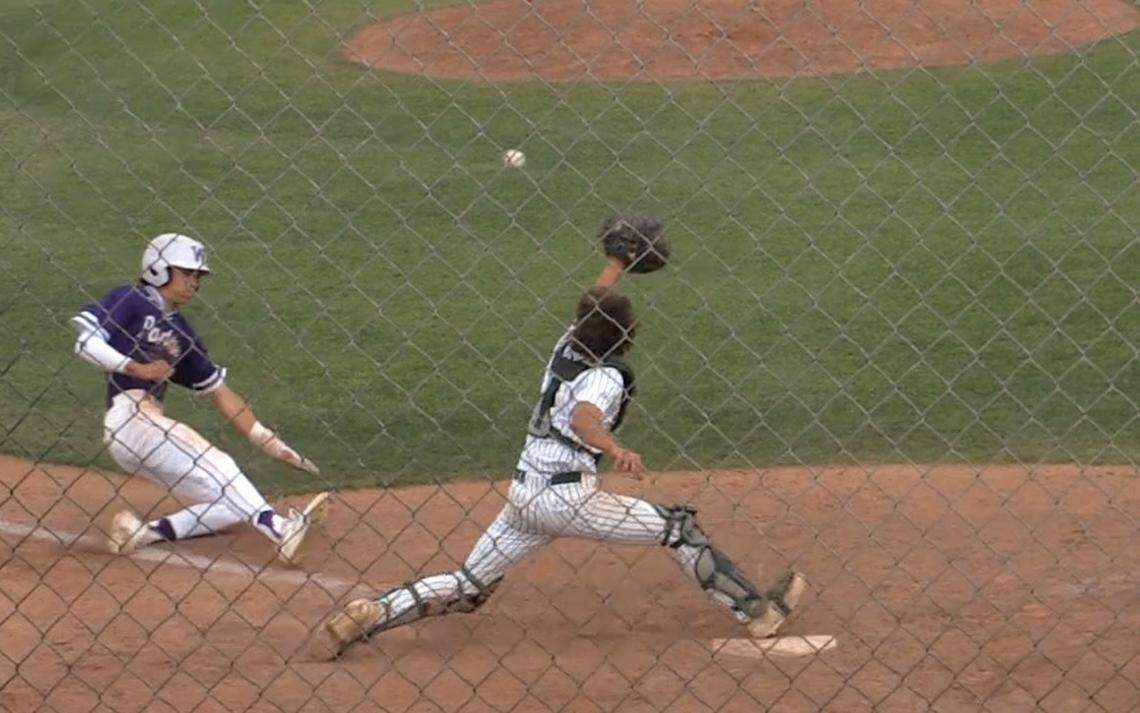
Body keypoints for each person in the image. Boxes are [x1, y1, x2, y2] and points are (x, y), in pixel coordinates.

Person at [319, 215, 805, 656]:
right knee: (678, 529)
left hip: (526, 492)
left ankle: (374, 612)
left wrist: (615, 262)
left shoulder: (567, 346)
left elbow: (593, 308)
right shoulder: (608, 377)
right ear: (628, 336)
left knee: (470, 586)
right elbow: (584, 420)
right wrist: (615, 448)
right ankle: (757, 613)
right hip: (569, 499)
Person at [70, 232, 330, 565]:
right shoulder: (130, 299)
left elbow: (220, 393)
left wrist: (269, 441)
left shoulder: (182, 332)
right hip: (130, 420)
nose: (195, 282)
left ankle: (143, 533)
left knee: (231, 502)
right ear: (159, 270)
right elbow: (85, 343)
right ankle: (279, 530)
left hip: (145, 428)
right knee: (218, 464)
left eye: (198, 276)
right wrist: (136, 367)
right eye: (188, 273)